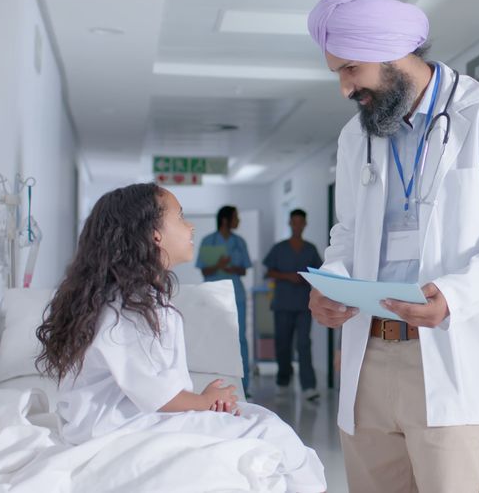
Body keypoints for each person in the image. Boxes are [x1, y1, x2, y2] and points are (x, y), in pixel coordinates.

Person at [306, 0, 479, 492]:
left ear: (394, 56)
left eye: (351, 69)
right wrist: (332, 281)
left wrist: (455, 295)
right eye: (338, 72)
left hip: (447, 353)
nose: (345, 88)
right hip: (370, 355)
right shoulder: (358, 135)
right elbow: (348, 233)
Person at [34, 183, 326, 492]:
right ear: (154, 234)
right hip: (118, 428)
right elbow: (153, 393)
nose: (191, 227)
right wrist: (203, 401)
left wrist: (203, 400)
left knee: (261, 420)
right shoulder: (125, 309)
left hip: (129, 417)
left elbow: (152, 383)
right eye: (181, 217)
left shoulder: (135, 299)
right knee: (269, 430)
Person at [263, 209, 324, 401]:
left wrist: (307, 278)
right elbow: (269, 272)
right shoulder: (279, 248)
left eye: (301, 222)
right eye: (294, 222)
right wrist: (287, 276)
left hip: (303, 305)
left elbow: (320, 273)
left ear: (305, 224)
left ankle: (308, 386)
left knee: (304, 344)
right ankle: (283, 380)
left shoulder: (310, 249)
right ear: (290, 223)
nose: (297, 226)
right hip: (282, 303)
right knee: (283, 345)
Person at [198, 205, 253, 393]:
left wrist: (233, 268)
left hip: (236, 294)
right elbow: (205, 270)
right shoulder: (208, 241)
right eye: (236, 217)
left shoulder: (239, 242)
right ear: (225, 220)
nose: (238, 221)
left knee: (240, 340)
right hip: (213, 295)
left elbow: (244, 269)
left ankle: (244, 386)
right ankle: (216, 385)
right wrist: (218, 265)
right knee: (215, 339)